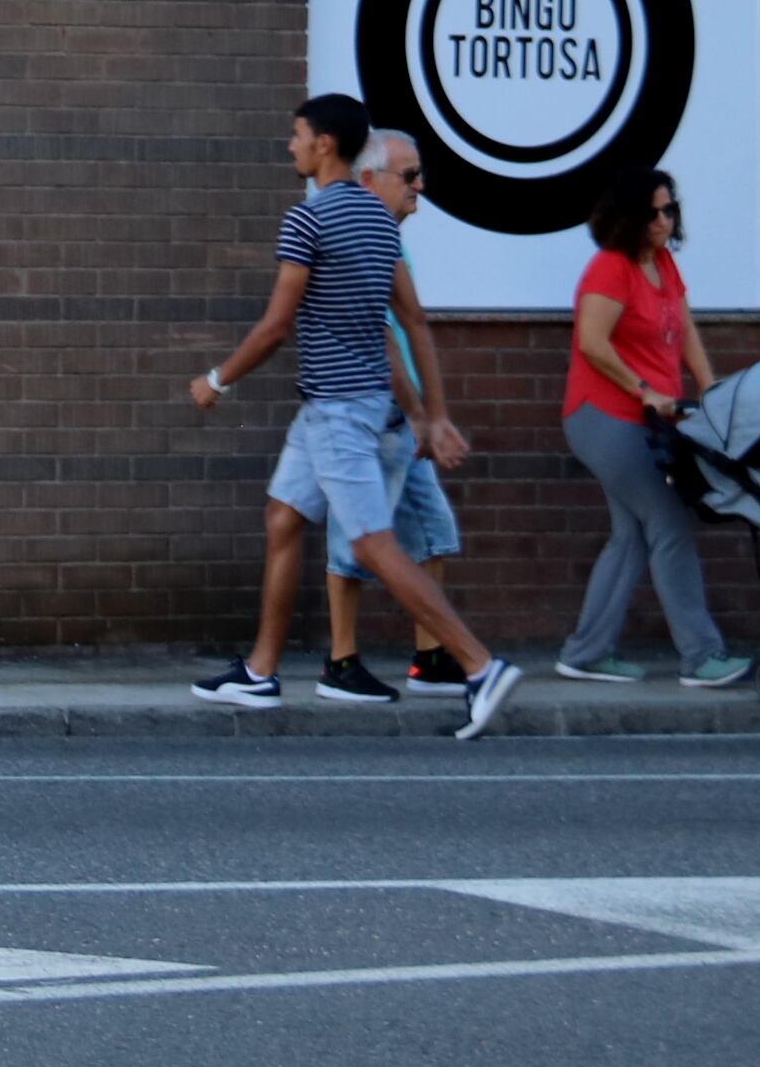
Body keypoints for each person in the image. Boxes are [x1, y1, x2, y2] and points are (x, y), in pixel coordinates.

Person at [185, 93, 523, 738]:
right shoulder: (377, 219)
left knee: (372, 543)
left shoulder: (307, 220)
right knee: (283, 518)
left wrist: (217, 381)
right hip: (343, 407)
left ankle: (480, 665)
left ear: (325, 146)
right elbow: (413, 321)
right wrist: (435, 414)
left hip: (340, 413)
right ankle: (260, 673)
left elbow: (277, 326)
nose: (291, 146)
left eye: (297, 136)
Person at [554, 168, 750, 688]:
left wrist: (710, 391)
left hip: (649, 418)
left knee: (631, 536)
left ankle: (586, 651)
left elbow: (682, 328)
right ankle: (701, 656)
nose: (664, 220)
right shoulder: (610, 269)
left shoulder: (661, 262)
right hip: (605, 418)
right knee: (668, 522)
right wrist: (645, 390)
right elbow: (593, 343)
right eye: (654, 212)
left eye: (670, 210)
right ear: (628, 216)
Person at [326, 129, 472, 701]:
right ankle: (340, 662)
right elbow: (381, 332)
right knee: (356, 537)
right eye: (409, 177)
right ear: (370, 180)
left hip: (401, 417)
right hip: (372, 412)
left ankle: (430, 657)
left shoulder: (390, 238)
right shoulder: (363, 239)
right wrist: (417, 411)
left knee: (433, 532)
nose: (420, 187)